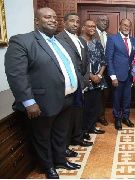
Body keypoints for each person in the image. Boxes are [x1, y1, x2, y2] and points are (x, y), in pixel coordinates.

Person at [5, 7, 81, 179]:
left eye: (54, 17)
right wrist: (28, 101)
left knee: (61, 134)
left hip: (67, 99)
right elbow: (16, 74)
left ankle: (60, 160)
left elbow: (69, 67)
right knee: (43, 137)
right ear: (36, 21)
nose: (53, 20)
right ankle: (48, 167)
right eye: (47, 17)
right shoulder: (23, 41)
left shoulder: (60, 42)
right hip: (42, 101)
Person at [56, 12, 93, 158]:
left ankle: (77, 138)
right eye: (72, 21)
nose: (75, 24)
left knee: (78, 112)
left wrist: (84, 81)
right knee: (66, 118)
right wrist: (79, 81)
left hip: (81, 83)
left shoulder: (81, 40)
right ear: (64, 23)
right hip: (69, 83)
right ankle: (64, 147)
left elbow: (86, 62)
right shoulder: (58, 39)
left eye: (77, 22)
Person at [106, 19, 135, 130]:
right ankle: (117, 119)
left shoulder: (133, 40)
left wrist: (134, 74)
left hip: (129, 75)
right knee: (117, 98)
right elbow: (109, 59)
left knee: (127, 98)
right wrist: (113, 76)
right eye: (124, 25)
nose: (126, 27)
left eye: (128, 26)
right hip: (117, 76)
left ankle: (126, 117)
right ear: (119, 26)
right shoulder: (112, 39)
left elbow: (132, 59)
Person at [81, 19, 107, 136]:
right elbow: (78, 63)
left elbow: (104, 61)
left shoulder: (97, 42)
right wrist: (91, 76)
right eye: (89, 26)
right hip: (86, 81)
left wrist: (99, 75)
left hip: (98, 80)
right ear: (83, 28)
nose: (92, 28)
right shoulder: (79, 42)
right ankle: (84, 130)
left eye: (94, 27)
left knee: (96, 106)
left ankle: (92, 127)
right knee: (85, 107)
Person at [94, 15, 113, 126]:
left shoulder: (111, 36)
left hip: (107, 71)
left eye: (107, 21)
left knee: (104, 95)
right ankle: (92, 117)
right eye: (102, 20)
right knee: (93, 95)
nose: (105, 23)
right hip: (94, 71)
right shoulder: (91, 33)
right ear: (97, 21)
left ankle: (101, 116)